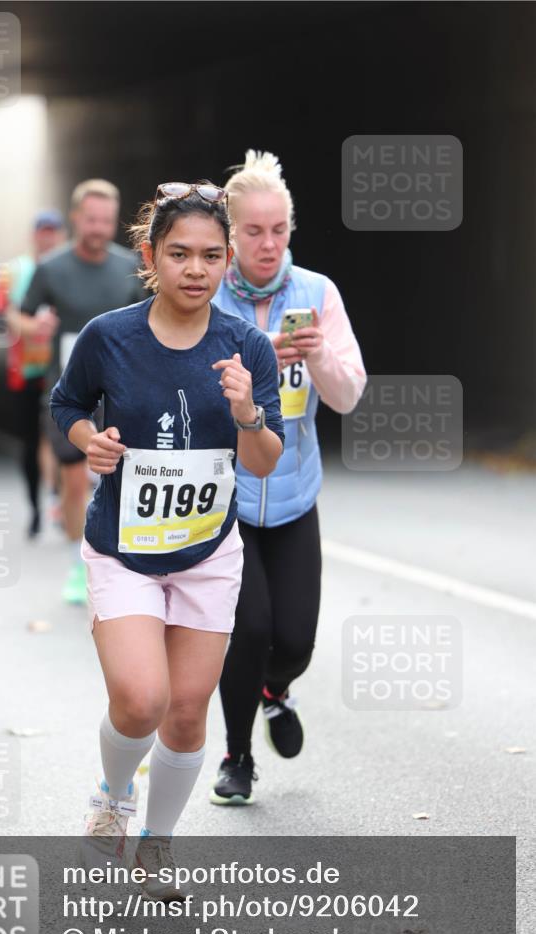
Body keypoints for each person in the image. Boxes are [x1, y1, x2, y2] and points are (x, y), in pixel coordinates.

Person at [50, 181, 283, 892]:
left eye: (212, 256)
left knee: (186, 713)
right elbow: (66, 405)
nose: (195, 269)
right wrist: (91, 440)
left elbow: (264, 460)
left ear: (229, 263)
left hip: (207, 554)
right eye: (179, 253)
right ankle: (113, 797)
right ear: (150, 255)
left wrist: (247, 410)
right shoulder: (108, 336)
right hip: (124, 549)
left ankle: (157, 845)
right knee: (141, 698)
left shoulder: (246, 347)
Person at [210, 151, 367, 805]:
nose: (267, 244)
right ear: (229, 235)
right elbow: (179, 394)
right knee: (247, 630)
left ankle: (277, 688)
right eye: (253, 231)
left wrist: (319, 355)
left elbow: (348, 395)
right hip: (227, 499)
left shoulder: (317, 293)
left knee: (295, 639)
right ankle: (238, 757)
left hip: (295, 495)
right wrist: (254, 363)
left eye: (278, 231)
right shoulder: (205, 294)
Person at [21, 180, 144, 602]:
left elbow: (153, 317)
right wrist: (34, 327)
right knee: (75, 482)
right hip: (69, 395)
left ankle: (125, 557)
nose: (98, 228)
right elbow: (17, 316)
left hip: (121, 392)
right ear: (76, 218)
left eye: (107, 220)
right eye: (91, 219)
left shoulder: (129, 266)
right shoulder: (51, 268)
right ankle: (79, 562)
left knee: (121, 478)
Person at [0, 209, 66, 538]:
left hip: (63, 368)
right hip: (24, 371)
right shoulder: (13, 271)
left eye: (53, 232)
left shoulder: (70, 268)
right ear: (34, 235)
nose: (47, 237)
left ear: (62, 235)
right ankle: (35, 507)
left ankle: (58, 501)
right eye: (43, 232)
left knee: (60, 439)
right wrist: (22, 322)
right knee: (30, 442)